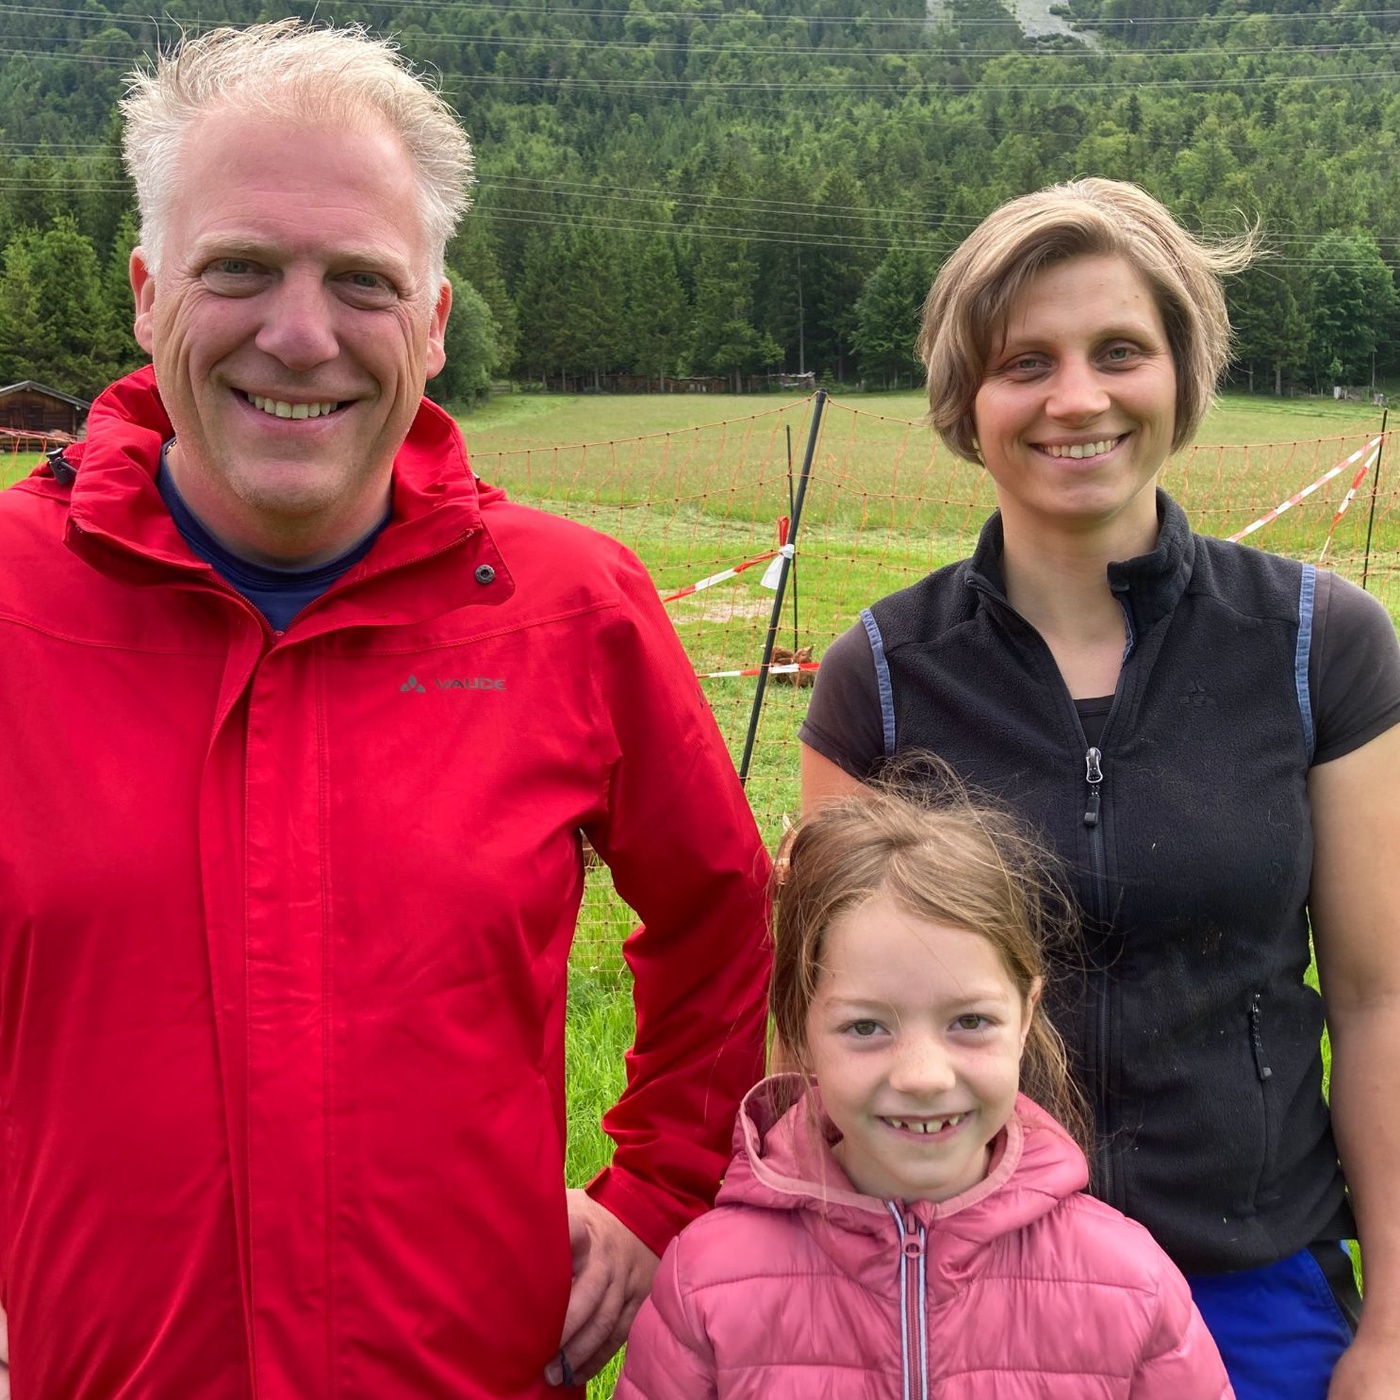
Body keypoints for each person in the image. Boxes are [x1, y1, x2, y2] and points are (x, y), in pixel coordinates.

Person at [0, 21, 770, 1399]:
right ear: (143, 292)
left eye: (361, 281)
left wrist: (662, 1188)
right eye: (237, 269)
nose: (299, 336)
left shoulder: (572, 608)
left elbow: (729, 923)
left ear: (431, 320)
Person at [799, 178, 1400, 1400]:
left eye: (1117, 350)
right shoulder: (880, 677)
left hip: (1253, 1286)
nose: (1075, 397)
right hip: (969, 1296)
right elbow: (823, 1021)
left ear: (1181, 372)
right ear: (967, 402)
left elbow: (1378, 997)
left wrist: (1387, 1323)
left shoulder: (1317, 645)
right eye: (1025, 360)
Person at [615, 786, 1234, 1398]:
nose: (923, 1075)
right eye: (866, 1027)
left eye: (970, 1022)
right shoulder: (704, 1286)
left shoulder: (1133, 1287)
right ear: (801, 1030)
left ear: (1025, 1020)